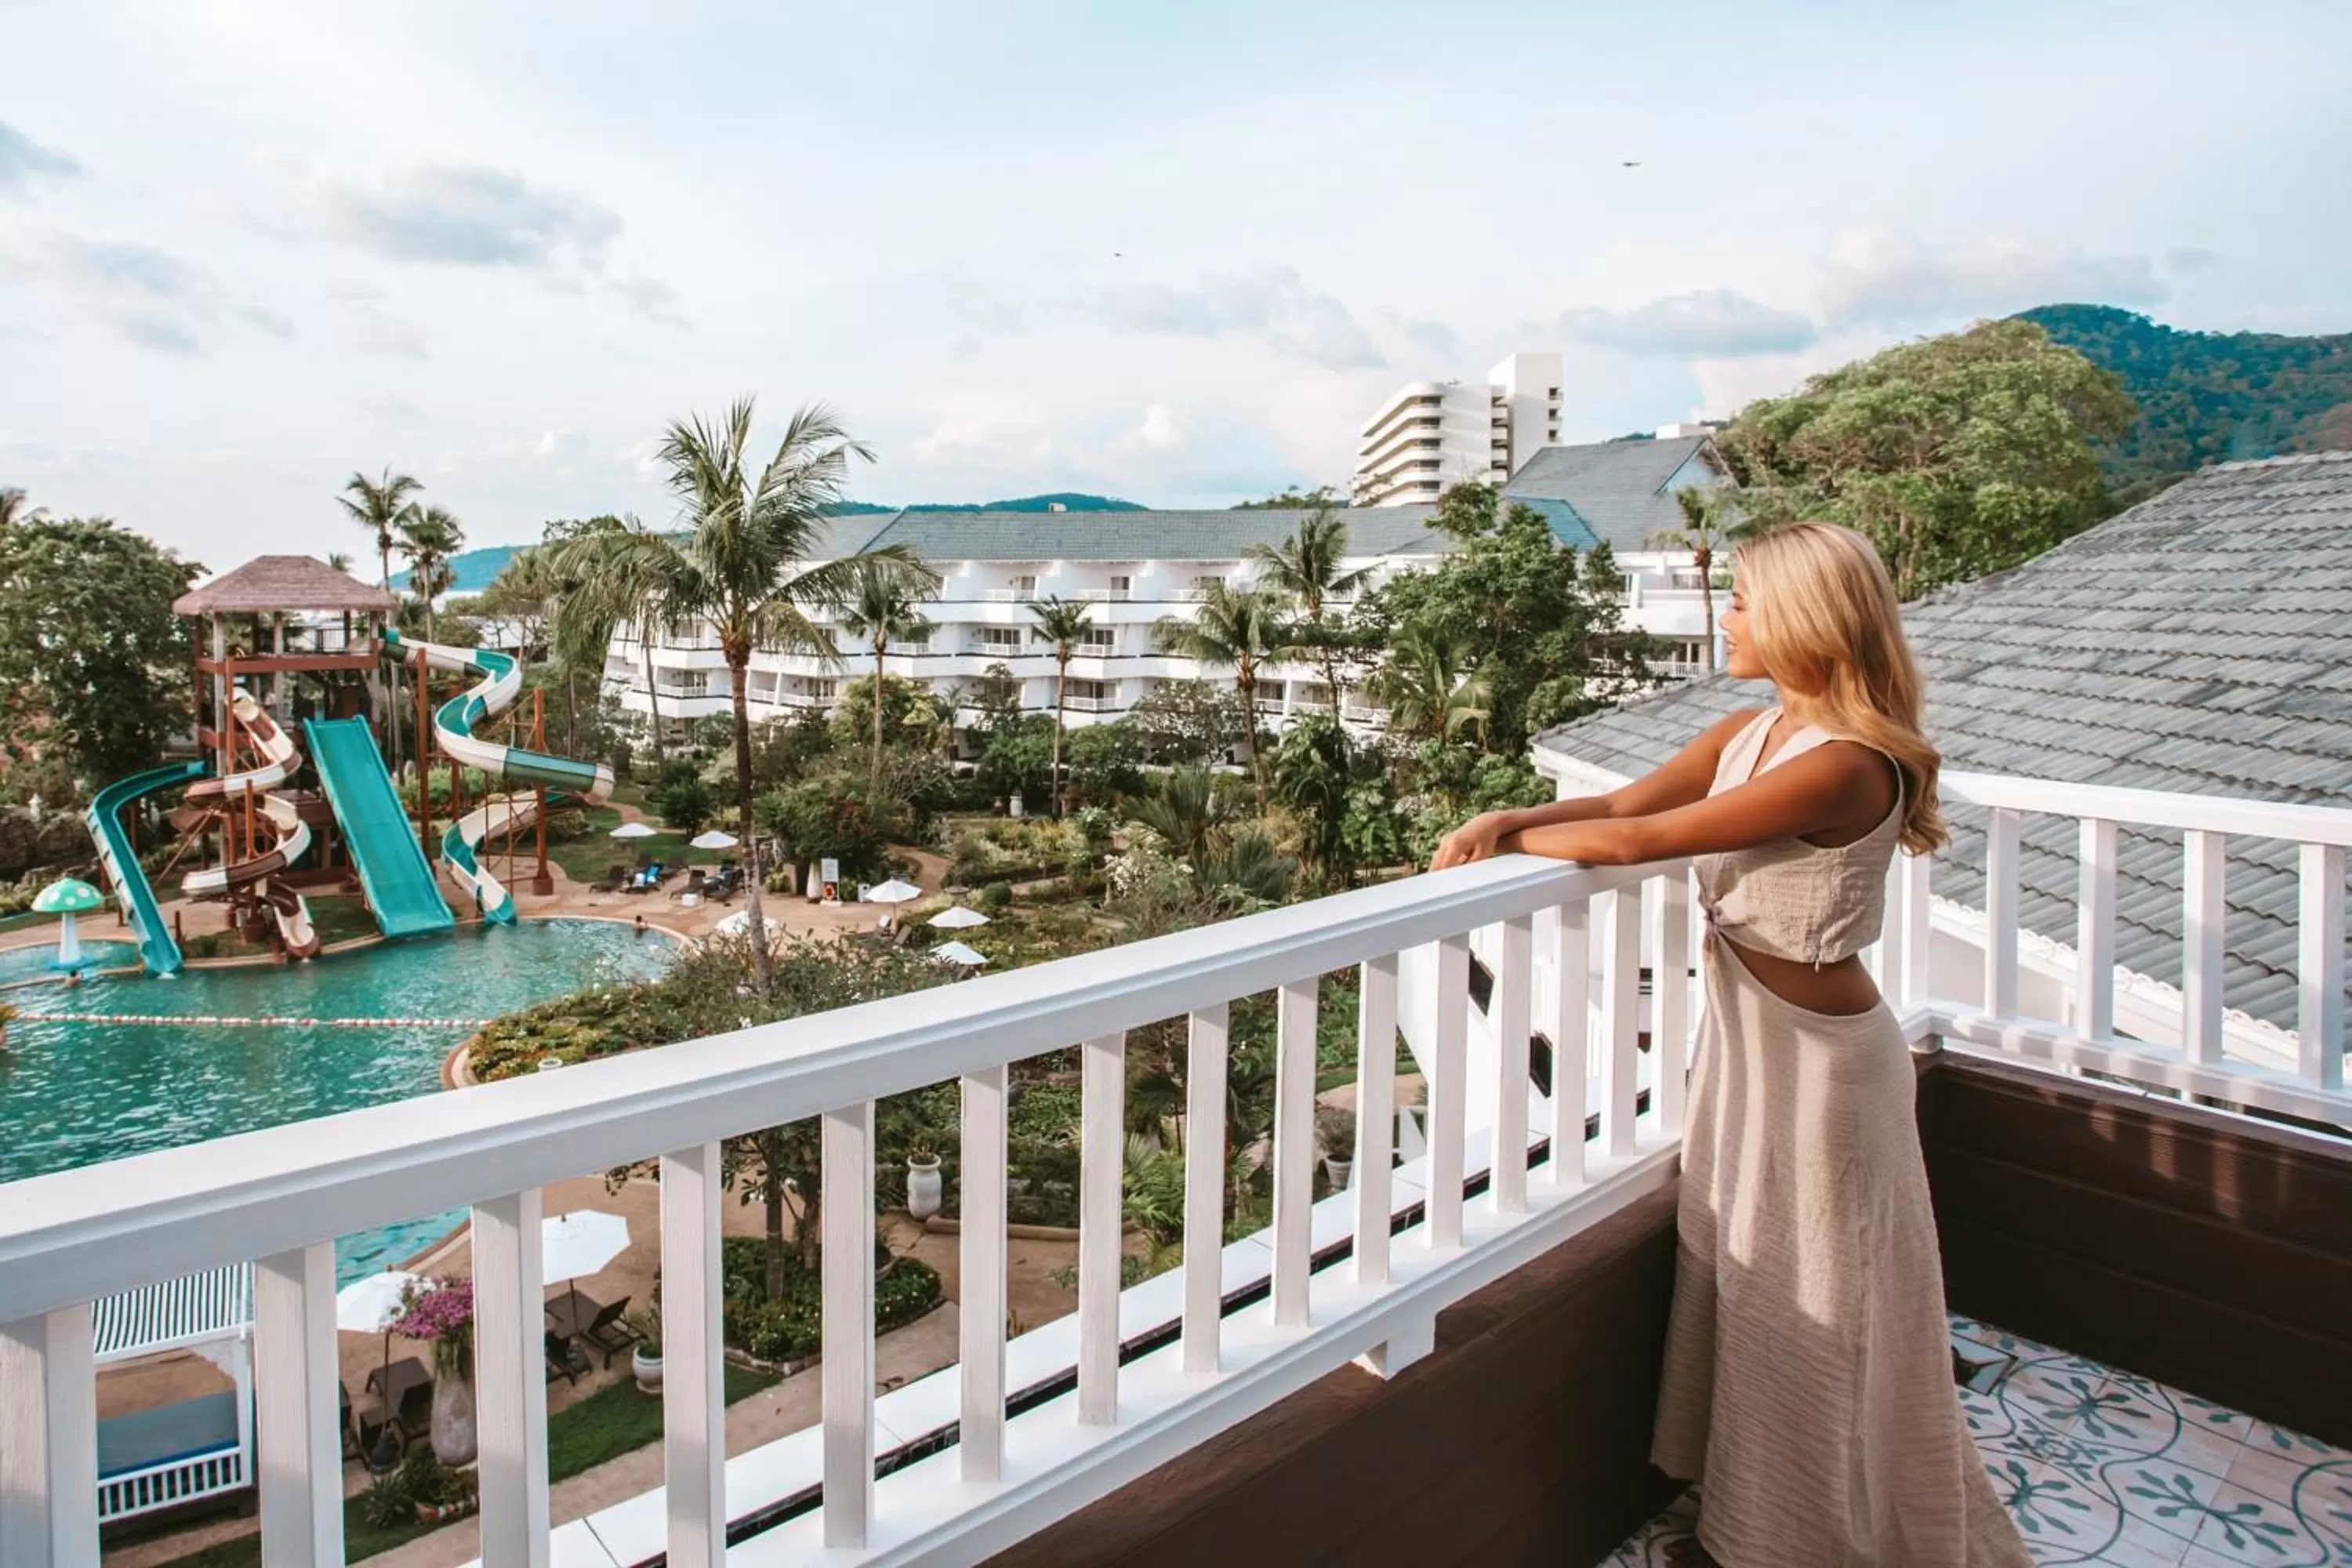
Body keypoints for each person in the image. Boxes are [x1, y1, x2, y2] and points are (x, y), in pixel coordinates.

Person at [1432, 523, 2027, 1568]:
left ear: (1805, 618)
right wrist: (1511, 813)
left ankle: (1818, 1533)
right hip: (1754, 1050)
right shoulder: (1751, 734)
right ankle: (1760, 1517)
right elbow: (1618, 803)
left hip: (1827, 1068)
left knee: (1824, 1298)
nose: (1729, 615)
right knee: (1756, 1282)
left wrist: (1516, 843)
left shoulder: (1848, 765)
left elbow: (1636, 844)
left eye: (1746, 601)